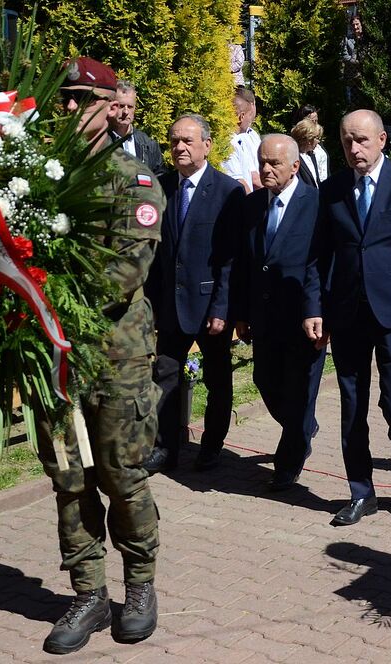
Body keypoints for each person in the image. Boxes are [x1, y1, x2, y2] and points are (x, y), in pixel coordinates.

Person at [35, 57, 163, 654]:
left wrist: (47, 302)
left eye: (80, 98)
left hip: (116, 353)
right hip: (53, 355)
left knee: (120, 472)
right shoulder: (37, 177)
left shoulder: (133, 179)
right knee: (68, 474)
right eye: (62, 98)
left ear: (112, 106)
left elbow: (125, 272)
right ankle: (88, 593)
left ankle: (139, 585)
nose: (66, 109)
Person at [302, 109, 391, 526]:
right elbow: (316, 255)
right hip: (346, 312)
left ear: (382, 140)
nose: (353, 148)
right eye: (346, 141)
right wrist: (314, 308)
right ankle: (361, 492)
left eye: (361, 140)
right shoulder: (332, 190)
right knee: (352, 404)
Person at [143, 114, 241, 474]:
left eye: (187, 141)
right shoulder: (162, 186)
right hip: (171, 305)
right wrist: (151, 302)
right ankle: (166, 447)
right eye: (173, 141)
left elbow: (231, 259)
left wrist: (222, 307)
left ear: (207, 145)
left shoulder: (228, 191)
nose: (179, 147)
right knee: (165, 375)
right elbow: (156, 253)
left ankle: (212, 446)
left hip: (209, 306)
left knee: (217, 378)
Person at [233, 134, 324, 492]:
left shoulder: (315, 204)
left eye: (275, 164)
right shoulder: (253, 205)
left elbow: (321, 263)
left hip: (304, 316)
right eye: (263, 162)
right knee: (265, 381)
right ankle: (302, 428)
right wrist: (241, 312)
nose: (266, 169)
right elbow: (244, 263)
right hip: (264, 315)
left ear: (295, 167)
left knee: (301, 392)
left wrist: (317, 309)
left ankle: (288, 464)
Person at [108, 80, 166, 179]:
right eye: (121, 106)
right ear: (111, 107)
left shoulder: (149, 145)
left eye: (130, 107)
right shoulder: (100, 141)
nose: (126, 111)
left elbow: (160, 179)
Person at [220, 87, 262, 192]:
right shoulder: (229, 143)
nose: (251, 120)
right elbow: (239, 183)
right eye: (249, 115)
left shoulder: (240, 140)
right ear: (241, 117)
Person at [292, 105, 329, 182]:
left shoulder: (317, 144)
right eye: (312, 121)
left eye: (316, 121)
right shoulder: (295, 152)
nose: (315, 124)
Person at [290, 118, 325, 186]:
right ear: (308, 139)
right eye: (317, 138)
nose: (319, 141)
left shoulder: (312, 155)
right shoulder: (293, 157)